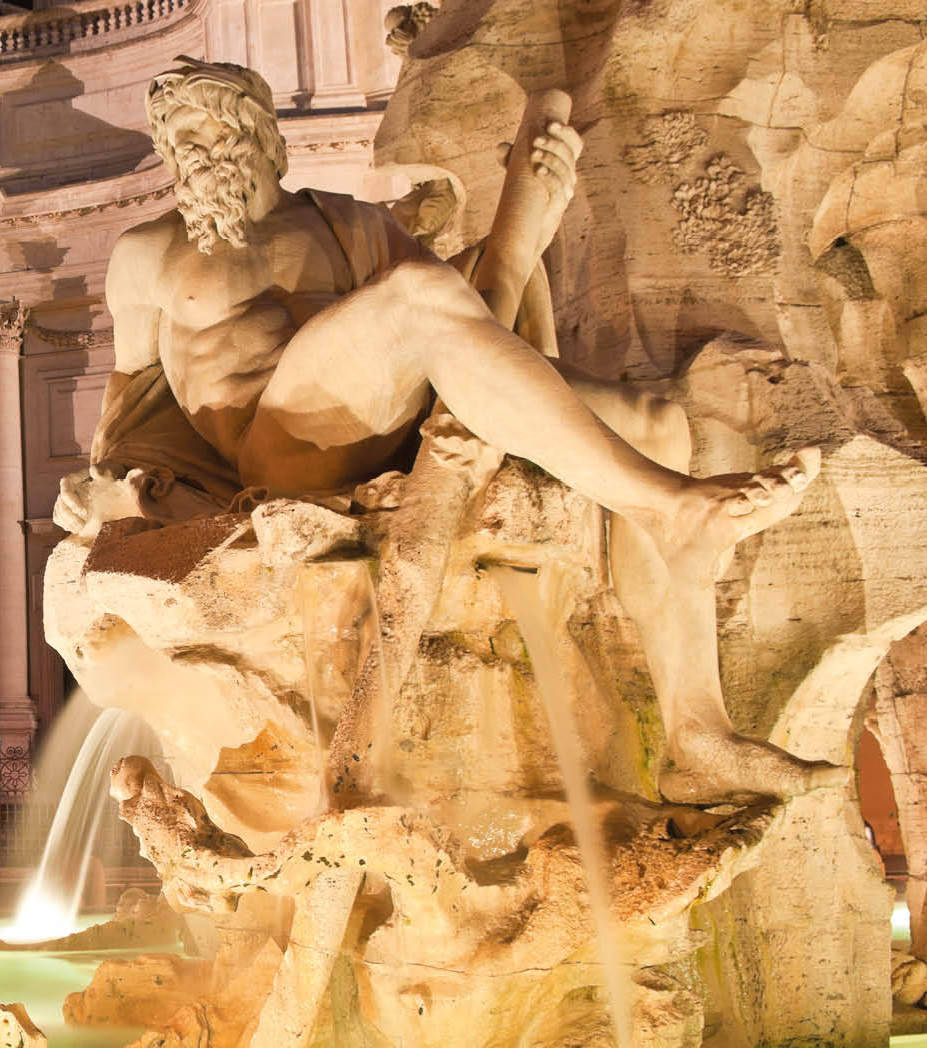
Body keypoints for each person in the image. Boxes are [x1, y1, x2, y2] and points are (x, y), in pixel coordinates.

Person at [55, 58, 845, 803]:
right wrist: (108, 495)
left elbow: (478, 305)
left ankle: (697, 731)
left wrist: (530, 212)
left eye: (206, 129)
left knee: (658, 426)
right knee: (416, 297)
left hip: (383, 428)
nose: (187, 152)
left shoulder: (346, 223)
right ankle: (671, 509)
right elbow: (132, 406)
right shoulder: (150, 252)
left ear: (260, 132)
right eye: (174, 140)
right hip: (278, 449)